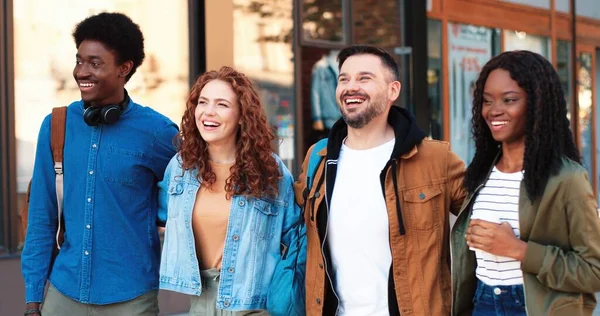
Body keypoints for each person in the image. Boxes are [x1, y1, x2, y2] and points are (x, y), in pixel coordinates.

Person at [21, 12, 178, 316]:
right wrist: (32, 301)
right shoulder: (56, 126)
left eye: (95, 63)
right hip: (63, 294)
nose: (82, 72)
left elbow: (192, 198)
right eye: (79, 61)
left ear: (124, 68)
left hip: (131, 298)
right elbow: (42, 217)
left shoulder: (158, 133)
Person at [294, 45, 466, 315]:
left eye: (364, 78)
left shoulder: (435, 158)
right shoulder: (318, 157)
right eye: (344, 79)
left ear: (392, 90)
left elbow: (484, 216)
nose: (351, 87)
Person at [452, 50, 600, 315]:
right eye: (487, 101)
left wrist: (519, 250)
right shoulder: (480, 174)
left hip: (534, 306)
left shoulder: (567, 179)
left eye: (509, 100)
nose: (494, 111)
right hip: (482, 302)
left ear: (538, 104)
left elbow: (594, 271)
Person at [157, 66, 305, 316]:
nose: (208, 112)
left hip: (251, 303)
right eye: (202, 102)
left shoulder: (272, 172)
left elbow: (296, 241)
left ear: (241, 115)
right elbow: (158, 220)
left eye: (222, 104)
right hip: (189, 302)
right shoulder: (181, 167)